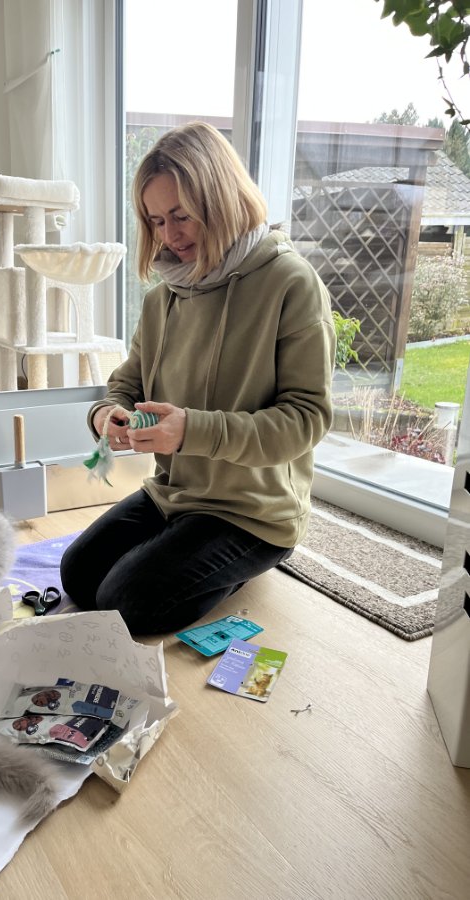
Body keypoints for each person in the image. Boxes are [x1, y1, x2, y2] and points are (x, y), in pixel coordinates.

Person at [60, 121, 336, 635]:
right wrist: (105, 414)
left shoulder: (291, 283)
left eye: (182, 215)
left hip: (253, 511)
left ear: (221, 199)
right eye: (156, 220)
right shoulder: (161, 298)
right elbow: (126, 382)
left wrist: (191, 430)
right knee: (77, 575)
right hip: (176, 493)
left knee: (124, 604)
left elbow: (307, 419)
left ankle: (247, 562)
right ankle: (188, 558)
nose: (169, 235)